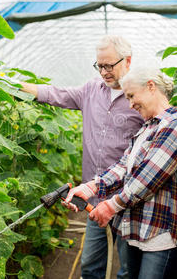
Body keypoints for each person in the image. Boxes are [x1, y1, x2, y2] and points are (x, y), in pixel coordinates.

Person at [19, 36, 144, 279]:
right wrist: (9, 85)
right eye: (99, 66)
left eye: (110, 65)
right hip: (95, 196)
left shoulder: (139, 96)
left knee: (128, 269)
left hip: (128, 199)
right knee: (89, 266)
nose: (104, 72)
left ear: (128, 61)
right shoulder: (90, 90)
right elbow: (54, 94)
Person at [65, 65, 177, 279]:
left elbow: (148, 178)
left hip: (161, 234)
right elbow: (123, 166)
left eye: (131, 96)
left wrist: (110, 205)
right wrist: (91, 187)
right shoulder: (147, 129)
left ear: (151, 86)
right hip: (137, 231)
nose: (130, 104)